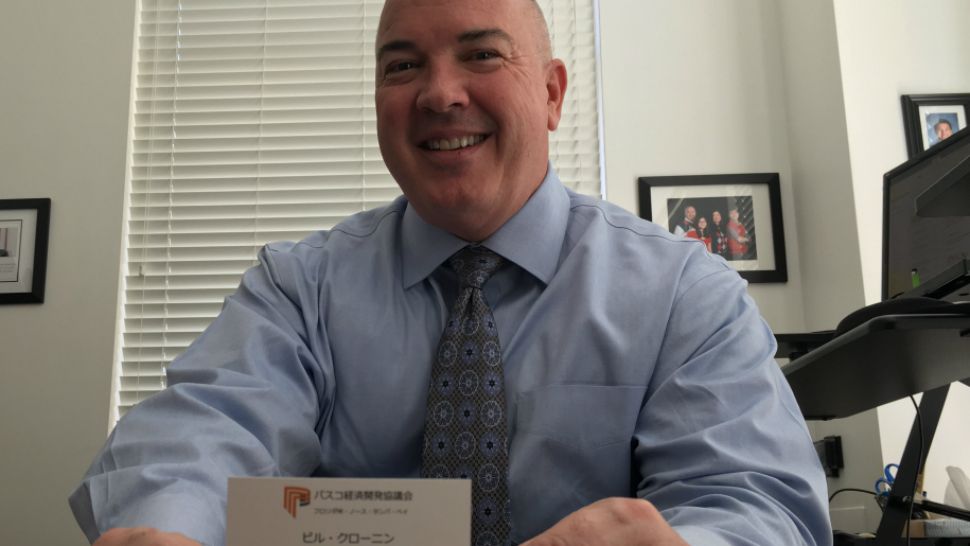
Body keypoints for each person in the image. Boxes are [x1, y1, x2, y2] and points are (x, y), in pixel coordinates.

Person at [70, 1, 831, 545]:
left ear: (553, 92)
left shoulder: (684, 295)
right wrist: (166, 529)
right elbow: (203, 432)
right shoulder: (298, 288)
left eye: (482, 54)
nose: (438, 94)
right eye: (403, 65)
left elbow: (756, 501)